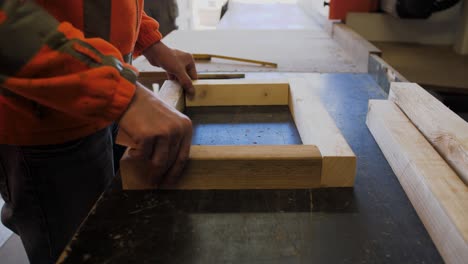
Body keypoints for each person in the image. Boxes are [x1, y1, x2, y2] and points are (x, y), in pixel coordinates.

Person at [0, 0, 197, 263]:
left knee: (114, 236)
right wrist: (118, 91)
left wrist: (149, 40)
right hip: (48, 125)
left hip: (105, 92)